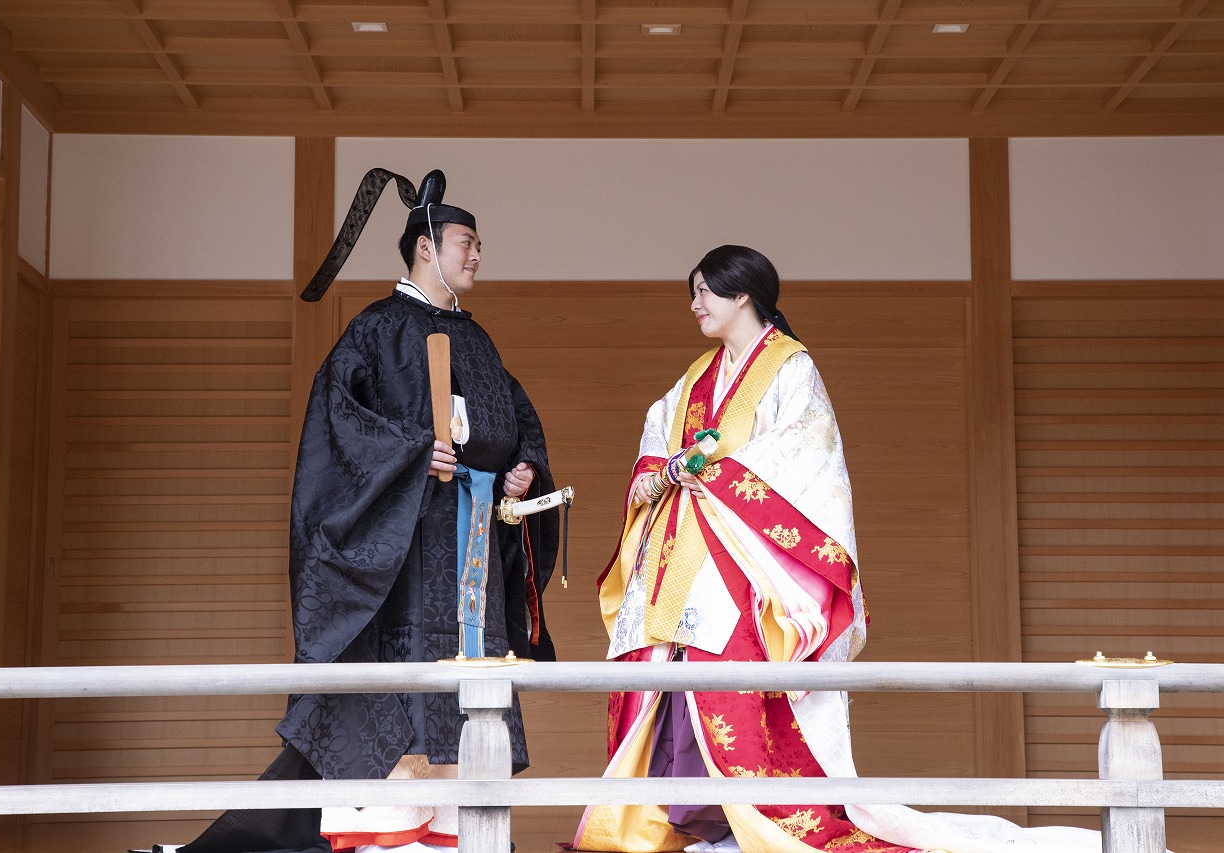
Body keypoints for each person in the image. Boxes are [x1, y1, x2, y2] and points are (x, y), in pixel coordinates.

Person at [572, 246, 1109, 853]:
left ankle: (746, 825)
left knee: (732, 688)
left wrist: (708, 474)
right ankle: (691, 825)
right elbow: (657, 437)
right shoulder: (697, 375)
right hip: (686, 560)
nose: (695, 305)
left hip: (747, 566)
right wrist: (659, 471)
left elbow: (803, 461)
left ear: (741, 293)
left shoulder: (790, 366)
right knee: (671, 690)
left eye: (704, 292)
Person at [157, 170, 559, 853]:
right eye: (467, 242)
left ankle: (468, 835)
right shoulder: (374, 331)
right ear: (426, 245)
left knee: (471, 703)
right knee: (396, 699)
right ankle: (389, 835)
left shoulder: (481, 341)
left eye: (480, 244)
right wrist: (410, 455)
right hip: (399, 561)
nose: (477, 256)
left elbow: (516, 427)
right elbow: (336, 429)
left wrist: (524, 470)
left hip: (469, 555)